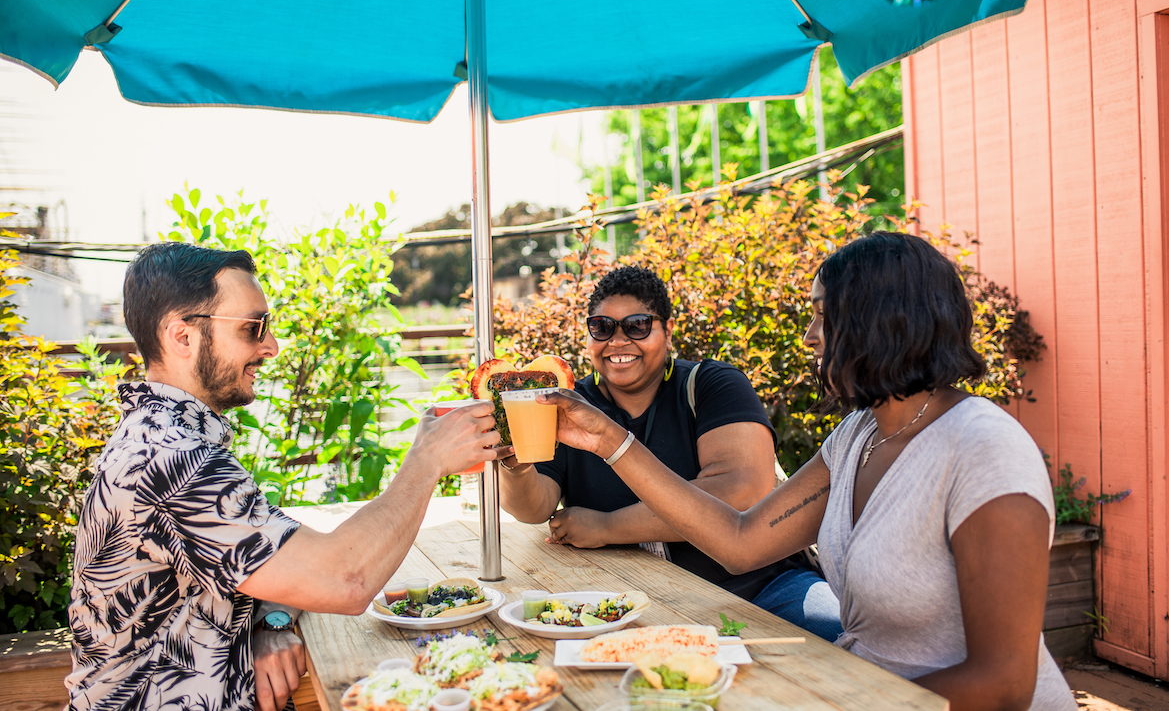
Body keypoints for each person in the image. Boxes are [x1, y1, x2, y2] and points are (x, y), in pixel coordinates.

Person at [540, 234, 1075, 711]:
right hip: (856, 690)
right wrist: (609, 441)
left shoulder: (982, 448)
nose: (809, 336)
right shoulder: (859, 435)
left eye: (823, 315)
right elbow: (740, 541)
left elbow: (1004, 685)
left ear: (885, 319)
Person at [66, 242, 498, 711]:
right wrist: (427, 460)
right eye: (252, 328)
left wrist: (269, 621)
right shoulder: (170, 459)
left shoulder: (164, 435)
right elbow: (345, 579)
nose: (270, 346)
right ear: (182, 337)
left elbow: (277, 551)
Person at [496, 265, 842, 641]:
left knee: (842, 634)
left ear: (669, 330)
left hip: (761, 590)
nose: (618, 341)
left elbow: (740, 493)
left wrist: (608, 527)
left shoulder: (712, 385)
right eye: (602, 327)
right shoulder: (571, 404)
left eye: (637, 326)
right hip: (630, 599)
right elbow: (534, 509)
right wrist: (516, 466)